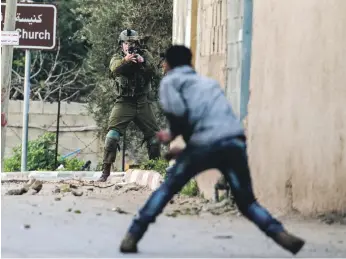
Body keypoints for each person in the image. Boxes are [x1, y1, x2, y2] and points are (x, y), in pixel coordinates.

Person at [119, 45, 305, 255]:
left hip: (204, 145)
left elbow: (182, 119)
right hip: (233, 142)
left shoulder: (170, 82)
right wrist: (185, 150)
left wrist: (170, 137)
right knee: (247, 202)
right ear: (190, 63)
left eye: (164, 63)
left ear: (168, 64)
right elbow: (213, 126)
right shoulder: (209, 84)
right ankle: (279, 234)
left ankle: (133, 235)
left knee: (167, 189)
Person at [98, 29, 161, 182]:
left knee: (154, 139)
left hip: (142, 101)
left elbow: (154, 72)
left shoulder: (145, 56)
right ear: (122, 45)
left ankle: (155, 169)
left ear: (137, 44)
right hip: (124, 102)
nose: (129, 46)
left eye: (132, 43)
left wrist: (142, 63)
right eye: (126, 43)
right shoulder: (117, 58)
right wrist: (126, 60)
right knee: (112, 137)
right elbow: (113, 70)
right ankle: (105, 171)